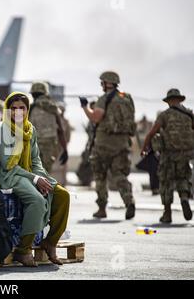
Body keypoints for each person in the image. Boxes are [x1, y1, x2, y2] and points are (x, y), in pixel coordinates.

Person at [0, 92, 70, 266]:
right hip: (10, 175)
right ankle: (23, 249)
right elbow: (7, 164)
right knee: (36, 200)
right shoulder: (2, 130)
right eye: (13, 109)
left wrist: (43, 178)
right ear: (7, 110)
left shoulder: (30, 129)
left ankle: (50, 243)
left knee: (61, 194)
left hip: (29, 173)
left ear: (27, 110)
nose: (18, 112)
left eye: (22, 108)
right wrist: (35, 179)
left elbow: (36, 160)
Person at [79, 71, 136, 220]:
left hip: (104, 144)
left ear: (105, 83)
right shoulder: (126, 98)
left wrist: (85, 107)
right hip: (123, 143)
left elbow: (95, 117)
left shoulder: (103, 99)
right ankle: (129, 201)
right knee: (120, 175)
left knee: (100, 177)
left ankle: (102, 209)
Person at [141, 89, 193, 223]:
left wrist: (144, 147)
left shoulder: (165, 115)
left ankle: (167, 213)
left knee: (166, 182)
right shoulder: (189, 114)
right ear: (180, 100)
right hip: (186, 154)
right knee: (183, 178)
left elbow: (152, 133)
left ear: (169, 101)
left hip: (168, 154)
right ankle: (184, 198)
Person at [29, 81, 68, 173]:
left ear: (33, 95)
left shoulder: (30, 108)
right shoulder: (53, 108)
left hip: (33, 147)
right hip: (49, 147)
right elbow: (61, 131)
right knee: (45, 175)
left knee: (34, 176)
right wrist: (65, 150)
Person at [76, 101, 96, 186]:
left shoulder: (98, 119)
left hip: (96, 145)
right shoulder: (91, 120)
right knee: (85, 161)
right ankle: (85, 180)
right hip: (90, 145)